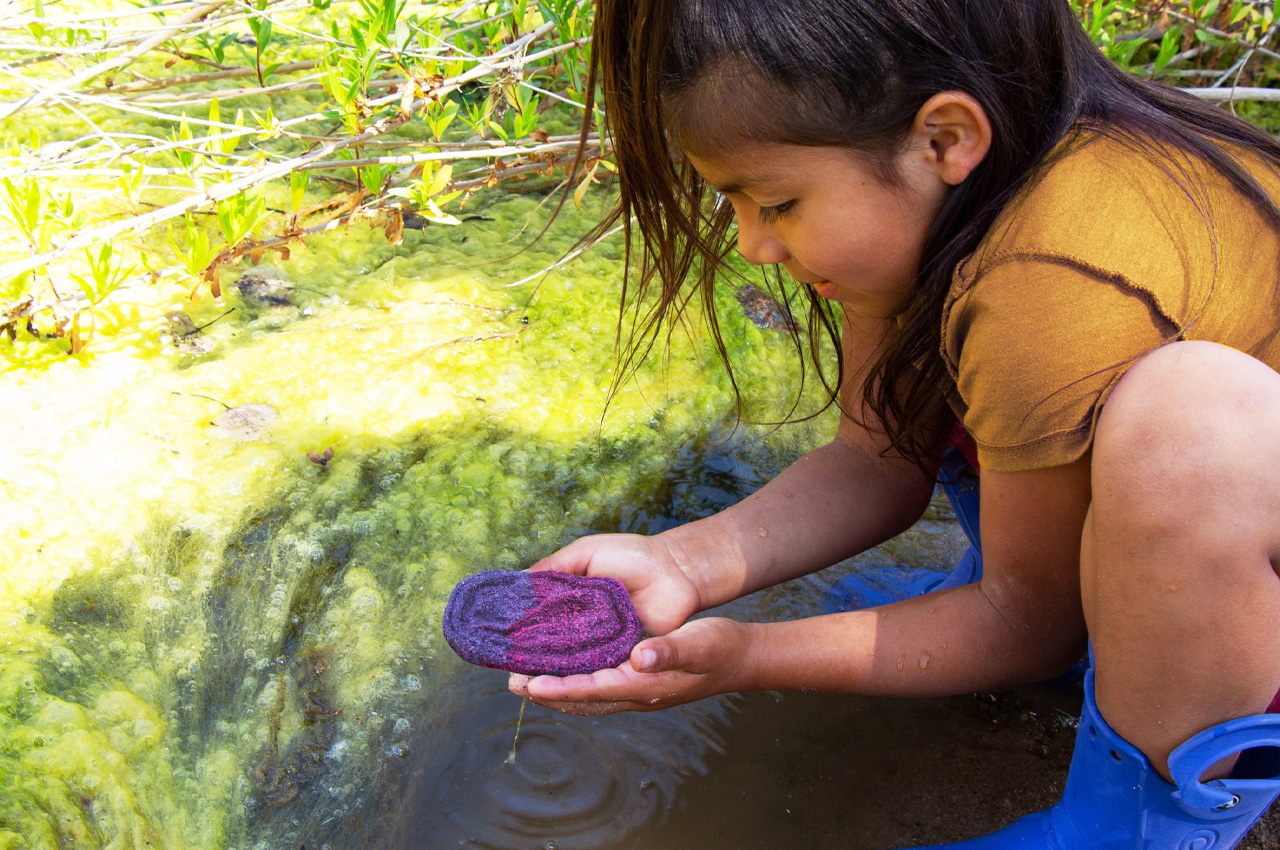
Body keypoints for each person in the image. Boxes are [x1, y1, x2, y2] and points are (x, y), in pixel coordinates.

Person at [507, 1, 1280, 846]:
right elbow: (877, 456)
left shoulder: (1052, 280)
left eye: (775, 202)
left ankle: (1140, 819)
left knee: (1190, 423)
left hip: (1247, 615)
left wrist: (749, 656)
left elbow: (1026, 620)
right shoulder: (932, 207)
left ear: (944, 138)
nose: (751, 246)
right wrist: (683, 562)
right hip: (1117, 571)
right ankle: (1072, 645)